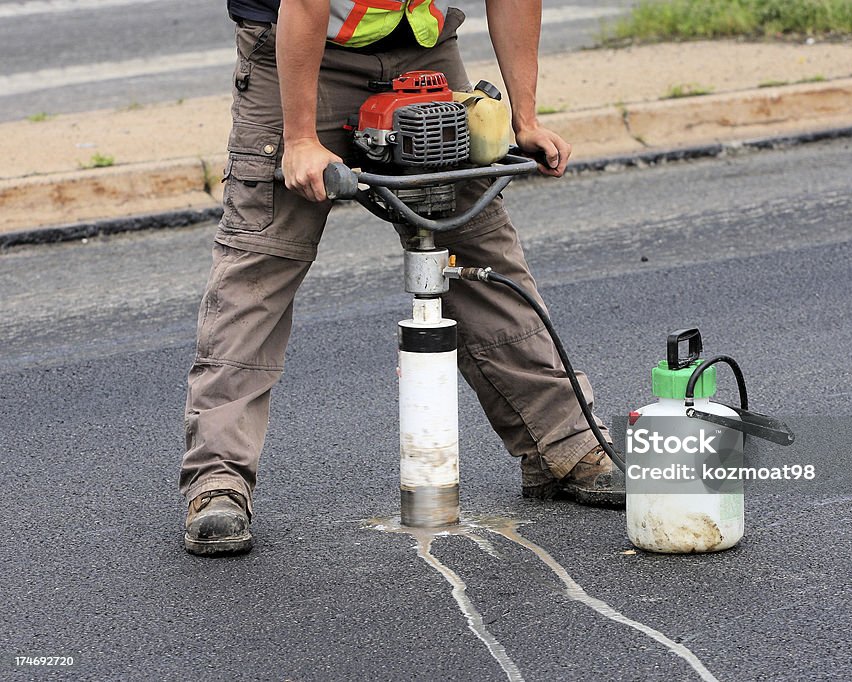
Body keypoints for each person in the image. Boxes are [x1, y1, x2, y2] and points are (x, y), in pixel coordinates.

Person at [180, 0, 624, 556]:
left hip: (424, 56)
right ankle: (217, 483)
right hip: (301, 56)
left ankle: (565, 445)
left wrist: (525, 118)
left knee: (479, 246)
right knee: (261, 264)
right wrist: (297, 139)